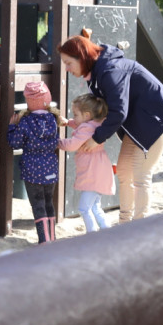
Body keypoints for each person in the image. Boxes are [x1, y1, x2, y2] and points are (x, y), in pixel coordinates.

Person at [57, 30, 163, 223]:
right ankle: (125, 223)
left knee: (141, 174)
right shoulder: (99, 72)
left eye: (68, 63)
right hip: (139, 124)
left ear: (82, 58)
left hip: (160, 119)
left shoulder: (110, 71)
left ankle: (139, 226)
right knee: (124, 171)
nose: (66, 68)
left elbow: (118, 112)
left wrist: (96, 138)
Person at [7, 81, 67, 243]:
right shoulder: (53, 120)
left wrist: (12, 127)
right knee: (49, 203)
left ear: (28, 102)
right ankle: (51, 238)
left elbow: (15, 143)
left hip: (32, 170)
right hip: (51, 167)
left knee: (38, 204)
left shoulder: (25, 122)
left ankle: (44, 240)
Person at [58, 94, 114, 234]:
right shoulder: (95, 123)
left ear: (87, 115)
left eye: (75, 114)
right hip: (100, 169)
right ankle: (107, 232)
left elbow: (72, 145)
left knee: (84, 208)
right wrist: (68, 122)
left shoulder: (86, 129)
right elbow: (79, 123)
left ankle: (92, 235)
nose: (73, 117)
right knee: (95, 206)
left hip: (92, 172)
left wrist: (57, 142)